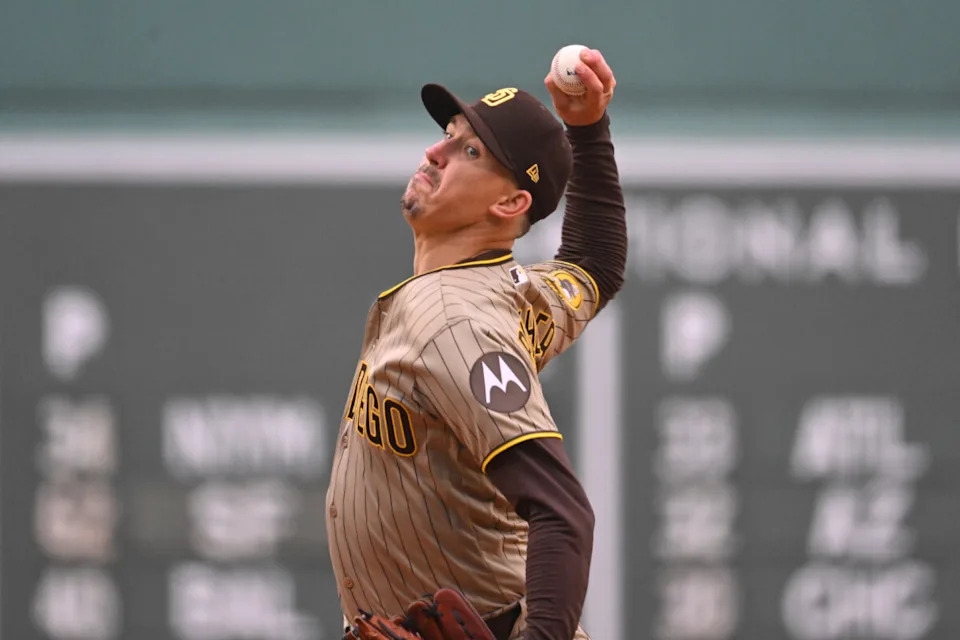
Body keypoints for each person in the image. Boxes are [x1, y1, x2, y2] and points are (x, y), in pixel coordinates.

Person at [325, 47, 626, 640]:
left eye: (468, 151)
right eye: (448, 134)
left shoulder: (456, 323)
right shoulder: (512, 294)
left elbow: (563, 512)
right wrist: (587, 131)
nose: (435, 151)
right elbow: (595, 262)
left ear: (510, 203)